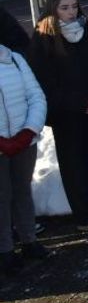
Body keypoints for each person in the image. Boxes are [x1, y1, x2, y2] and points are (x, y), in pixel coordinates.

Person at [28, 0, 88, 233]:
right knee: (76, 163)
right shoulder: (44, 37)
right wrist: (80, 103)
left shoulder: (87, 31)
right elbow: (45, 82)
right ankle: (86, 215)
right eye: (64, 8)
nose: (71, 12)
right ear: (53, 10)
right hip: (67, 113)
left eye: (74, 6)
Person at [0, 38, 47, 274]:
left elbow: (36, 96)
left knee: (22, 191)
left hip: (24, 139)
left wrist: (29, 129)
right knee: (1, 197)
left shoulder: (15, 59)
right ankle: (5, 250)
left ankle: (30, 241)